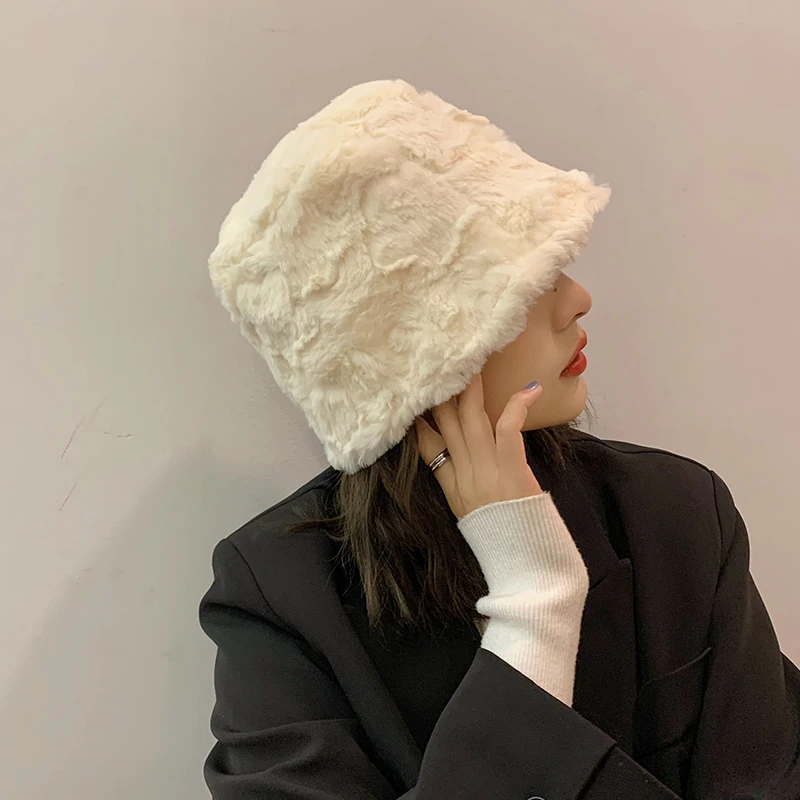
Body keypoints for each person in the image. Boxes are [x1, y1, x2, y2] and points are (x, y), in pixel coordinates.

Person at [198, 79, 800, 799]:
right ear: (409, 345)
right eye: (517, 286)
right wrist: (534, 609)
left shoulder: (674, 514)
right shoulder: (277, 596)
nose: (577, 299)